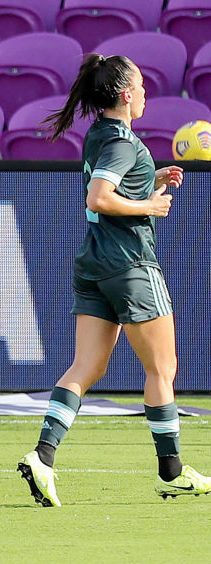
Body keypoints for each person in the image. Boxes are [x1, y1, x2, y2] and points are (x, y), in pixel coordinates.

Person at [17, 54, 211, 507]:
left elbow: (110, 186)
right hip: (130, 265)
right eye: (140, 86)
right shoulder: (123, 142)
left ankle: (43, 456)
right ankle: (172, 472)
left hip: (94, 265)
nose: (144, 93)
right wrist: (150, 205)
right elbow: (99, 197)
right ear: (125, 94)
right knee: (162, 369)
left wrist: (148, 179)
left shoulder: (100, 134)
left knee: (85, 368)